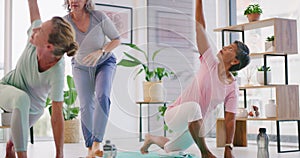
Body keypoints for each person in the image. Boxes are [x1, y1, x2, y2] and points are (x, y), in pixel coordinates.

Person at [140, 0, 250, 158]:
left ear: (235, 61)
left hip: (196, 123)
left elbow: (230, 118)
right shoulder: (210, 61)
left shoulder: (232, 87)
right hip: (174, 115)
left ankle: (151, 138)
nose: (225, 47)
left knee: (171, 148)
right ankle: (205, 153)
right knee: (193, 108)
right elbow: (200, 28)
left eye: (231, 49)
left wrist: (228, 148)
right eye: (228, 45)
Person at [0, 0, 78, 158]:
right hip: (6, 88)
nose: (35, 29)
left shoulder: (57, 71)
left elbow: (57, 115)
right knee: (22, 98)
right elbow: (34, 10)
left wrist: (59, 155)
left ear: (48, 46)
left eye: (40, 30)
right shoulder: (35, 39)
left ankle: (12, 149)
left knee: (11, 145)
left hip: (33, 110)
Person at [63, 0, 120, 157]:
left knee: (103, 96)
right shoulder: (65, 22)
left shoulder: (98, 17)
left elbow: (116, 39)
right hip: (81, 67)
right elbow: (63, 47)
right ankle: (90, 148)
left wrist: (100, 51)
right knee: (86, 104)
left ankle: (97, 142)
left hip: (105, 62)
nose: (74, 0)